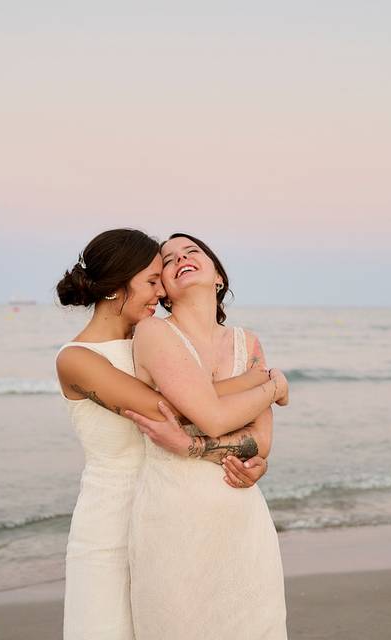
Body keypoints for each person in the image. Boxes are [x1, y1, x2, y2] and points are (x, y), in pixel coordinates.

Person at [54, 228, 289, 640]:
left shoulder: (148, 341)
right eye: (151, 281)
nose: (158, 292)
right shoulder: (77, 359)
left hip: (165, 504)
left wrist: (251, 455)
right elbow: (177, 409)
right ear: (115, 287)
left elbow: (198, 407)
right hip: (110, 520)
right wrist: (264, 383)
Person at [125, 232, 288, 639]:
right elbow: (214, 419)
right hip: (175, 520)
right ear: (162, 287)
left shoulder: (246, 343)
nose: (180, 258)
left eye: (191, 251)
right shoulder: (154, 333)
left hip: (242, 519)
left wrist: (189, 444)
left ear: (217, 275)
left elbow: (261, 442)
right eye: (168, 258)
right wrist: (272, 387)